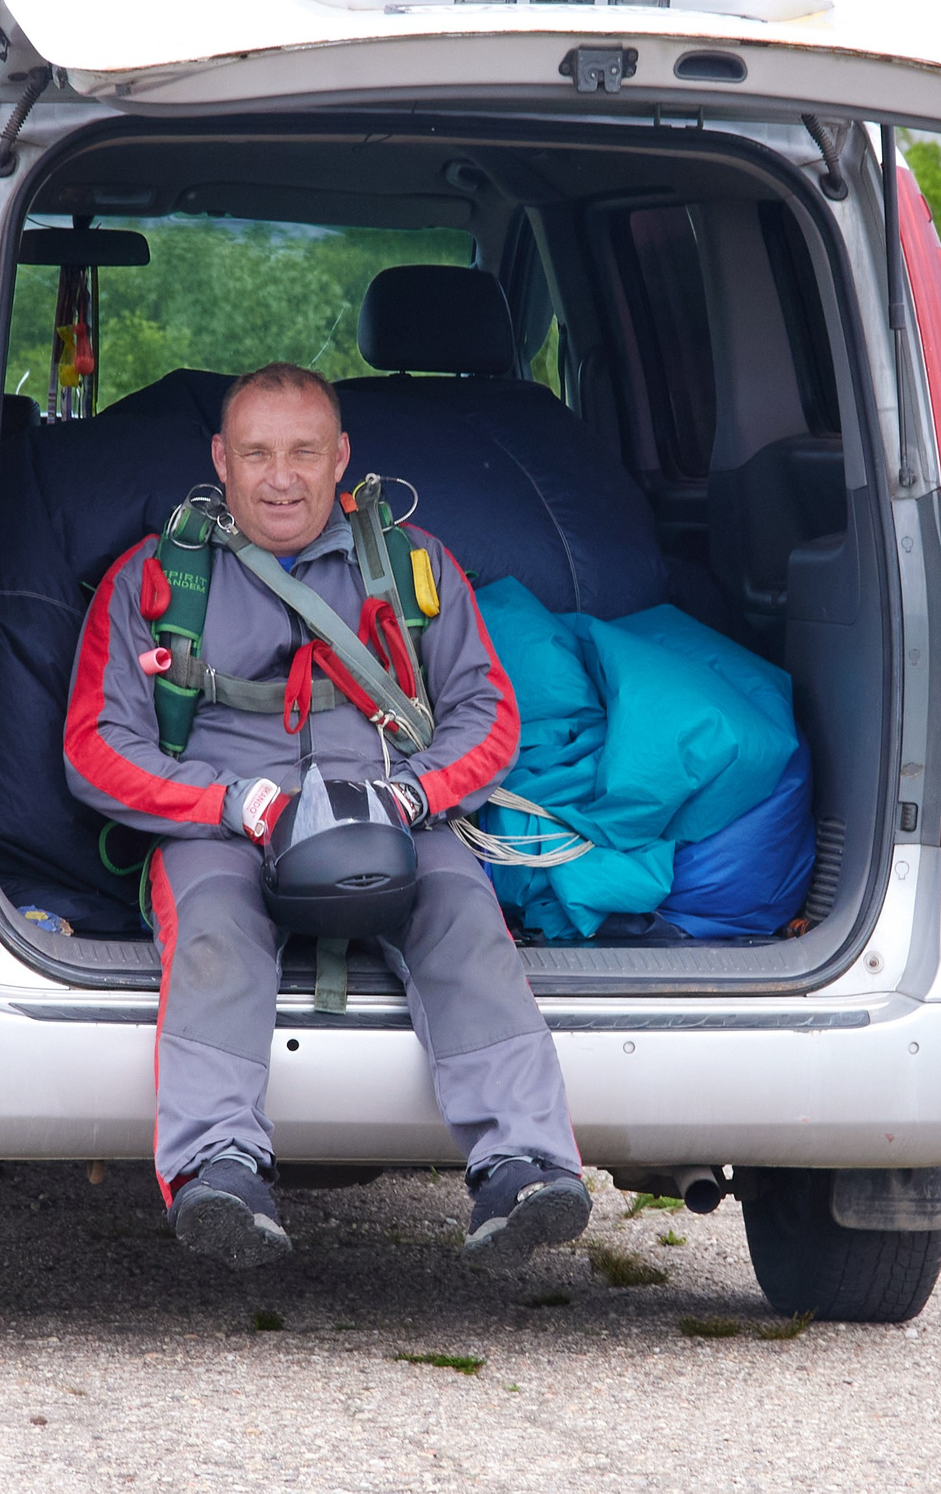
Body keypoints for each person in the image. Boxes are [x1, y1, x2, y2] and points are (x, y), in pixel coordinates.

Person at [63, 361, 590, 1271]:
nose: (281, 476)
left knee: (465, 914)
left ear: (340, 457)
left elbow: (488, 713)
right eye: (259, 452)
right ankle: (218, 1169)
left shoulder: (416, 564)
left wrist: (414, 794)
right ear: (220, 460)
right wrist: (229, 803)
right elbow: (96, 748)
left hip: (394, 811)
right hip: (222, 823)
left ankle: (525, 1166)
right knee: (216, 929)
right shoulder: (156, 578)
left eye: (305, 451)